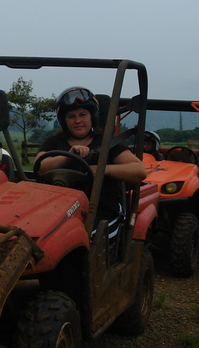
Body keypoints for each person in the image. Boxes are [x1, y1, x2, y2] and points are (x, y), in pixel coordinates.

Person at [36, 87, 147, 241]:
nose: (78, 121)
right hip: (58, 209)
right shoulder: (54, 142)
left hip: (102, 210)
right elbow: (40, 166)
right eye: (71, 116)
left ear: (92, 116)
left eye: (83, 115)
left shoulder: (107, 143)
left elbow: (139, 171)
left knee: (78, 239)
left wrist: (104, 170)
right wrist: (69, 156)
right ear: (63, 120)